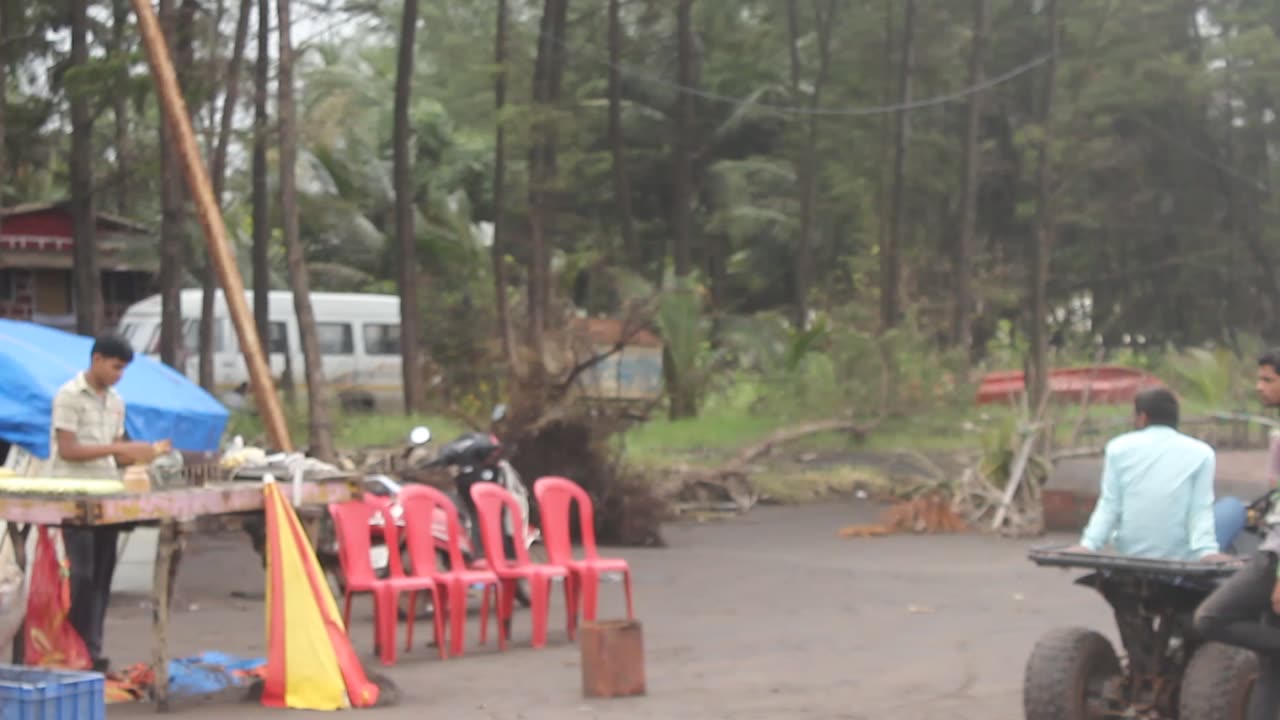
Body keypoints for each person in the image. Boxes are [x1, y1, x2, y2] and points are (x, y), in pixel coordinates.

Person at [48, 333, 169, 672]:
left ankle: (92, 649)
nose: (119, 374)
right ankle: (73, 648)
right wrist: (120, 449)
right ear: (97, 359)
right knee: (82, 575)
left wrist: (145, 454)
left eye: (123, 369)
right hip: (73, 497)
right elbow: (68, 449)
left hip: (107, 495)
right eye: (115, 367)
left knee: (103, 575)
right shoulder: (69, 396)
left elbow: (117, 451)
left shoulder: (116, 400)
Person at [1193, 349, 1280, 720]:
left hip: (1275, 558)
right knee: (1270, 669)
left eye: (1268, 380)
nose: (1258, 387)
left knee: (1210, 618)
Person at [1069, 387, 1241, 562]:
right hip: (1181, 555)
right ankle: (1205, 551)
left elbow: (1110, 503)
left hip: (1130, 551)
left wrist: (1088, 544)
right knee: (1233, 507)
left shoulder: (1118, 448)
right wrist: (1207, 551)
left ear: (1143, 418)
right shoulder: (1202, 453)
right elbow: (1200, 507)